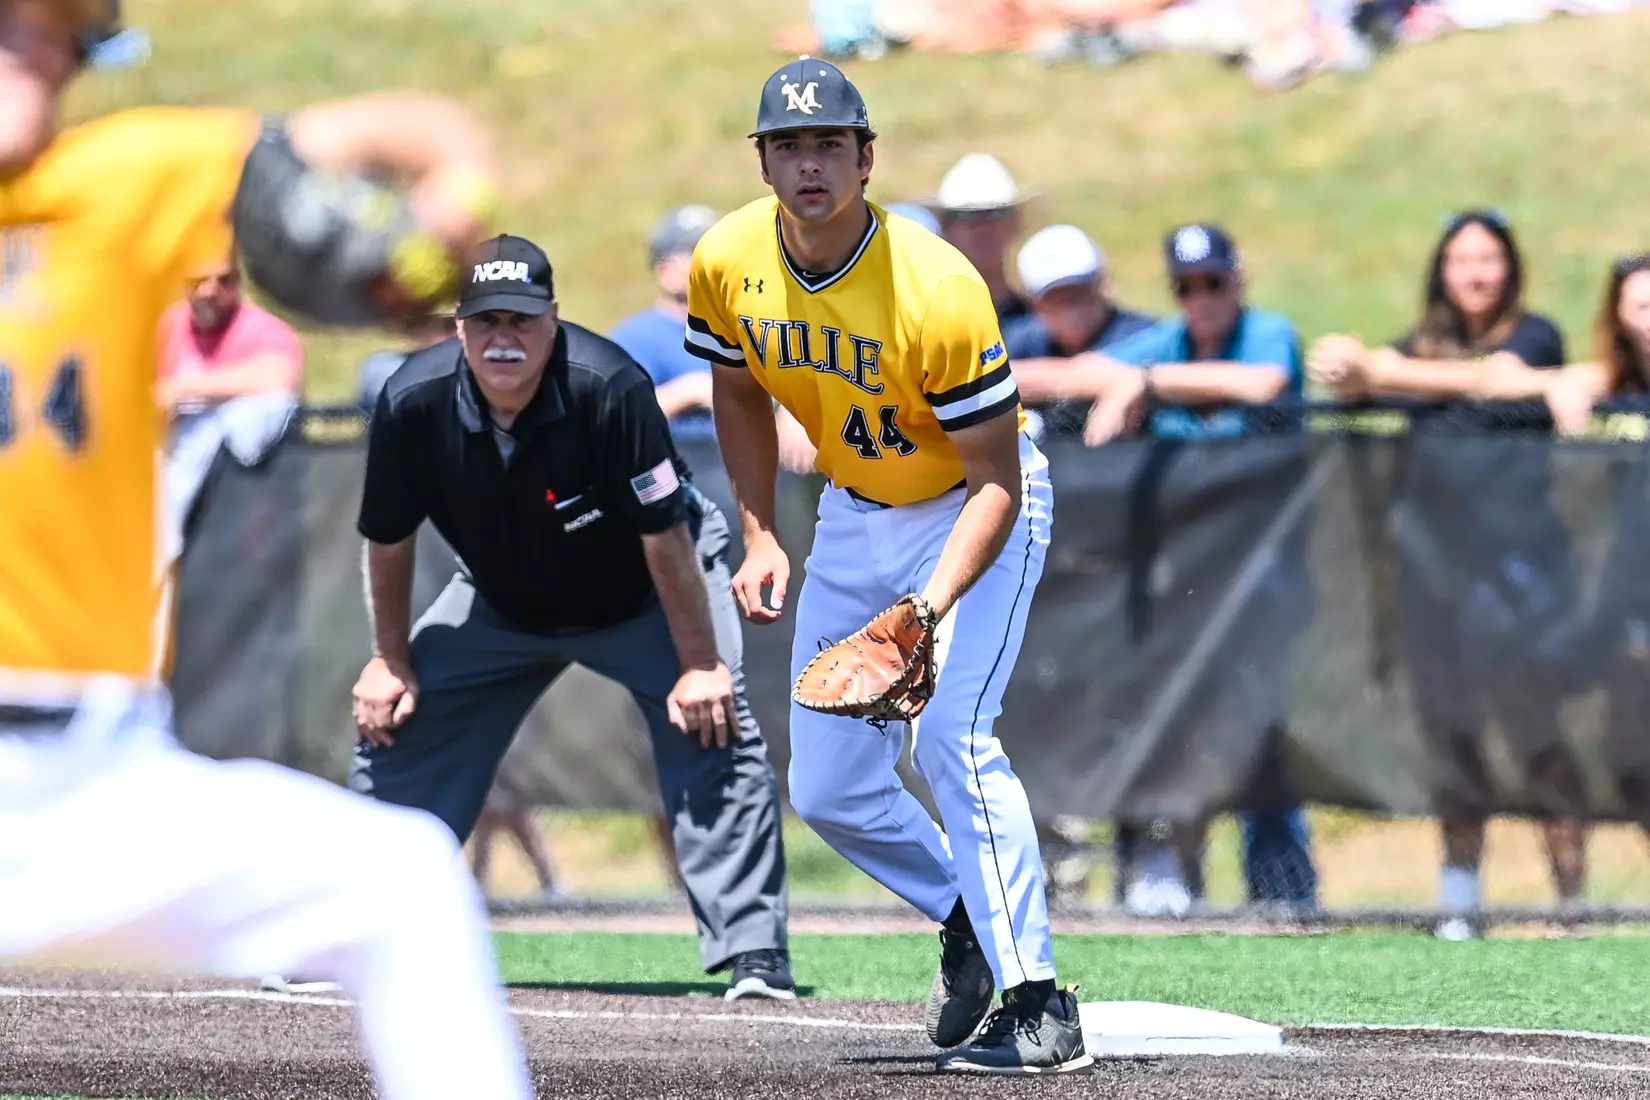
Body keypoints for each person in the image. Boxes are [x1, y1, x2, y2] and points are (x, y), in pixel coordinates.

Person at [0, 3, 532, 1100]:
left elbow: (424, 128)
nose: (30, 51)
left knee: (401, 880)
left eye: (52, 30)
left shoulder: (129, 179)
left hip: (87, 776)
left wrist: (452, 220)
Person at [687, 58, 1089, 1074]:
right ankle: (966, 912)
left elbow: (995, 476)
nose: (809, 163)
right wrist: (761, 531)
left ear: (867, 159)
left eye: (830, 145)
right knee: (827, 787)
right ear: (764, 160)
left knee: (952, 734)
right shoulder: (728, 256)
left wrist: (929, 602)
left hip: (971, 511)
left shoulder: (938, 287)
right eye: (788, 144)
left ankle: (1041, 1002)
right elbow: (735, 391)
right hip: (853, 513)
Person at [350, 234, 795, 1001]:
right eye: (485, 320)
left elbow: (667, 539)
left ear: (552, 320)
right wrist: (390, 658)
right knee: (398, 721)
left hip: (650, 590)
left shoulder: (608, 386)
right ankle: (346, 932)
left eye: (520, 320)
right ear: (458, 328)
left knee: (716, 720)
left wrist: (696, 665)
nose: (503, 338)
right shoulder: (411, 400)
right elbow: (386, 540)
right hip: (501, 599)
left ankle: (755, 955)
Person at [1308, 210, 1584, 939]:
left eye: (1489, 259)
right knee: (1451, 736)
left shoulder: (1537, 336)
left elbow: (1505, 380)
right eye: (1462, 260)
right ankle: (1459, 902)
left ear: (1511, 269)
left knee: (1537, 735)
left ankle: (1572, 907)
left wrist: (1385, 372)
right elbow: (1355, 387)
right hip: (1436, 578)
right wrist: (1344, 367)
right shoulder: (1416, 348)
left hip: (1524, 577)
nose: (1476, 274)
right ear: (1442, 270)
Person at [1080, 224, 1319, 916]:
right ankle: (1169, 877)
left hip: (1264, 583)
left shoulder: (1266, 334)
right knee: (1174, 723)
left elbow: (1263, 382)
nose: (1202, 299)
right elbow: (1080, 373)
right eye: (1186, 287)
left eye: (1213, 283)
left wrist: (1145, 384)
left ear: (1237, 279)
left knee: (1261, 733)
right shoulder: (1167, 345)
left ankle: (1283, 891)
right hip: (1181, 584)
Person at [1003, 223, 1155, 440]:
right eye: (1055, 299)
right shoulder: (1022, 342)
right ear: (1034, 305)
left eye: (1078, 294)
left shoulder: (1143, 335)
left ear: (1104, 286)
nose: (1071, 311)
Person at [927, 152, 1036, 326]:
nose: (982, 227)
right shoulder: (926, 321)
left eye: (996, 213)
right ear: (945, 226)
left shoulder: (1046, 323)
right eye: (966, 215)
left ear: (1014, 224)